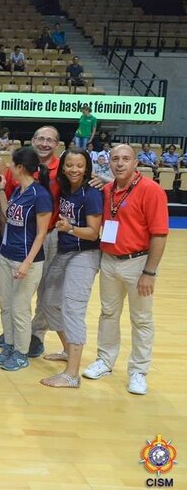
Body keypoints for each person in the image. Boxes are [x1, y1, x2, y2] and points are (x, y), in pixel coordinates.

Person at [82, 144, 168, 395]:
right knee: (108, 313)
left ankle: (139, 371)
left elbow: (160, 234)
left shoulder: (151, 191)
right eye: (115, 159)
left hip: (138, 263)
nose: (120, 163)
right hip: (109, 261)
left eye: (125, 159)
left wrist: (149, 272)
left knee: (141, 319)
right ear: (109, 162)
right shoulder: (107, 190)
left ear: (135, 162)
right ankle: (105, 361)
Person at [39, 148, 103, 388]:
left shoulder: (91, 193)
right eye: (70, 165)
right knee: (47, 301)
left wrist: (70, 229)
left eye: (80, 166)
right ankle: (68, 349)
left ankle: (72, 374)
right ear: (63, 167)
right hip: (65, 251)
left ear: (87, 168)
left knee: (72, 308)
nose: (74, 170)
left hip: (85, 254)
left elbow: (93, 232)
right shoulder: (66, 188)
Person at [0, 147, 53, 371]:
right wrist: (1, 191)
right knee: (6, 305)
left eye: (11, 164)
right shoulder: (19, 191)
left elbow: (41, 234)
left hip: (26, 260)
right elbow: (9, 215)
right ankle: (9, 345)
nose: (8, 167)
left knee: (20, 308)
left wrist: (27, 263)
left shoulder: (41, 195)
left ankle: (21, 352)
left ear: (20, 167)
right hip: (7, 254)